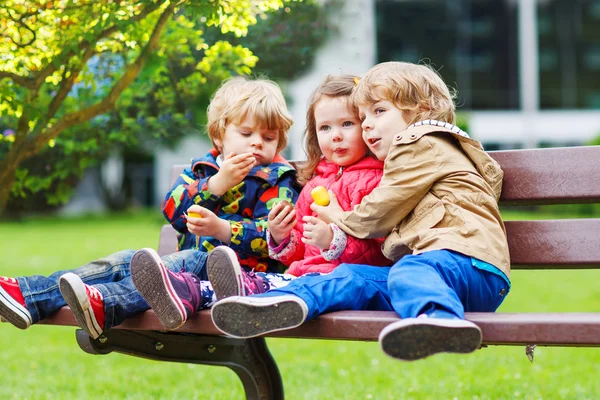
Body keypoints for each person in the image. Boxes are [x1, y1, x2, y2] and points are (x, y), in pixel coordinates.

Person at [210, 61, 512, 362]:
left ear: (420, 109)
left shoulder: (422, 142)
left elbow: (377, 213)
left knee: (408, 270)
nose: (366, 124)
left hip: (468, 266)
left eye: (378, 112)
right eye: (363, 116)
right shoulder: (403, 155)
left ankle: (443, 322)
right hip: (432, 275)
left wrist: (338, 217)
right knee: (351, 277)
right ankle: (275, 305)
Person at [0, 76, 299, 338]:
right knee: (121, 263)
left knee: (171, 264)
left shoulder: (278, 181)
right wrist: (215, 185)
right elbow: (172, 208)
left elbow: (271, 238)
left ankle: (105, 304)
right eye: (246, 134)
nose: (257, 144)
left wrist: (222, 229)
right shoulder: (203, 172)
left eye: (268, 137)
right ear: (219, 136)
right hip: (183, 267)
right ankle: (30, 296)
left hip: (232, 278)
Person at [206, 75, 390, 302]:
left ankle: (211, 293)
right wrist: (281, 235)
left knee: (256, 290)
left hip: (338, 282)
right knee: (244, 289)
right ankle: (191, 292)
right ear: (314, 134)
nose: (336, 136)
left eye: (347, 124)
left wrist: (332, 240)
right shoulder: (314, 184)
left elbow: (385, 253)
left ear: (367, 126)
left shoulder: (378, 181)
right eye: (325, 127)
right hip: (300, 277)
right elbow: (300, 250)